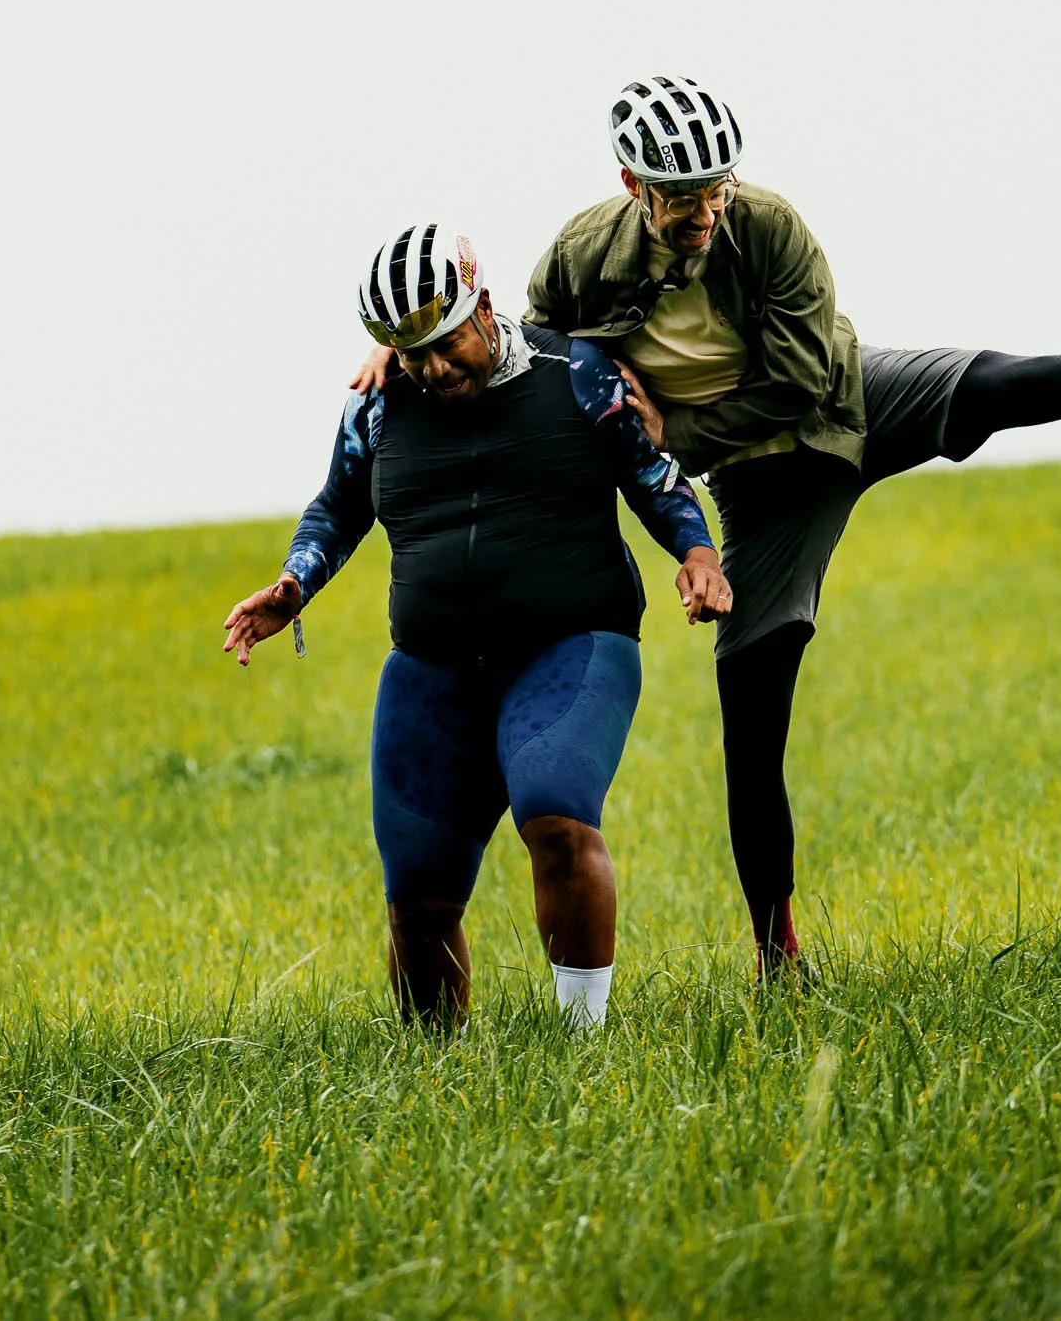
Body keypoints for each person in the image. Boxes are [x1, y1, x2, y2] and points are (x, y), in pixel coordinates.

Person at [352, 77, 1061, 977]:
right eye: (683, 193)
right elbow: (535, 351)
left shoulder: (768, 226)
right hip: (768, 489)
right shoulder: (579, 254)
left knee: (1009, 383)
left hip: (843, 402)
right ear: (632, 183)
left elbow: (806, 380)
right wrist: (403, 344)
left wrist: (674, 435)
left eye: (716, 188)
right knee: (752, 709)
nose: (705, 209)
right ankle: (778, 951)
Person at [227, 224, 731, 1028]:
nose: (433, 367)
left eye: (445, 342)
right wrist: (296, 583)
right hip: (434, 669)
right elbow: (338, 504)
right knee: (418, 891)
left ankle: (584, 1043)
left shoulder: (577, 370)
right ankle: (434, 1074)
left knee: (557, 812)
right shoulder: (381, 402)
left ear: (484, 306)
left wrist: (698, 553)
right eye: (411, 351)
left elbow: (652, 473)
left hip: (571, 645)